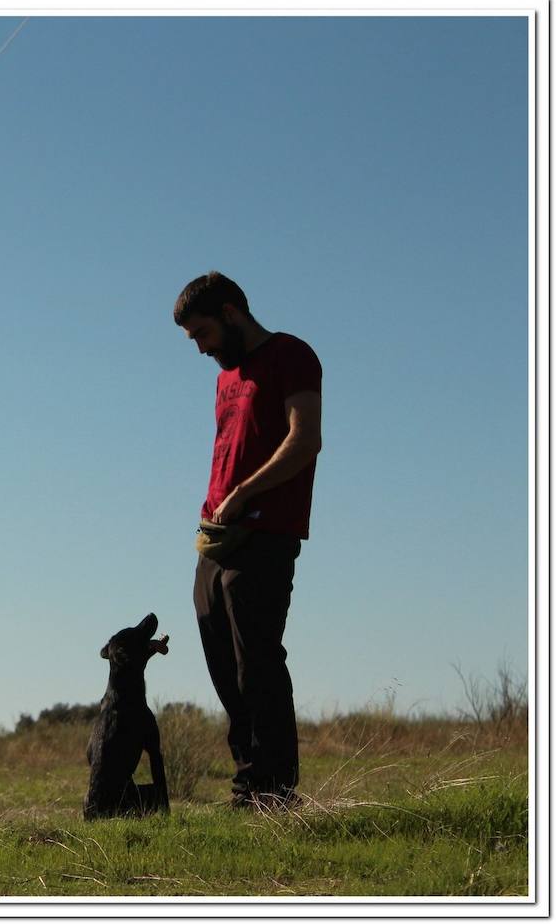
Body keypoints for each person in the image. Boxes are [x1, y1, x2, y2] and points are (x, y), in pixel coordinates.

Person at [173, 271, 322, 810]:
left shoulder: (292, 355)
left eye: (203, 333)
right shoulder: (224, 377)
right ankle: (247, 787)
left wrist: (243, 493)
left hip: (267, 529)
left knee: (255, 659)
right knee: (220, 660)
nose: (201, 348)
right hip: (217, 533)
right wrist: (215, 507)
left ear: (232, 312)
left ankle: (276, 792)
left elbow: (305, 440)